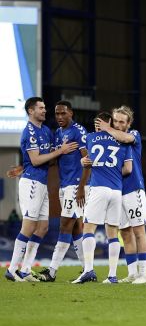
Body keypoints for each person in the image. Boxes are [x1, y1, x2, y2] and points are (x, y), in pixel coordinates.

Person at [5, 97, 77, 282]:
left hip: (42, 183)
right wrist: (60, 151)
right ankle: (12, 269)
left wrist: (23, 166)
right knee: (29, 226)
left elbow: (48, 158)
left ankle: (26, 270)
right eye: (41, 108)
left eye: (45, 107)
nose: (45, 111)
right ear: (31, 111)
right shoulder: (29, 132)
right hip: (32, 183)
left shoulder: (46, 131)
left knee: (43, 227)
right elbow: (36, 160)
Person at [72, 112, 133, 284]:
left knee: (88, 229)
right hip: (116, 190)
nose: (96, 124)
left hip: (98, 188)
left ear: (105, 123)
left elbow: (88, 162)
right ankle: (112, 276)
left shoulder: (91, 138)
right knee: (112, 234)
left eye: (98, 122)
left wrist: (83, 161)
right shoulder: (123, 140)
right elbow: (128, 169)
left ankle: (89, 270)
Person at [96, 106, 146, 284]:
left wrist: (107, 128)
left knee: (139, 231)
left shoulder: (133, 135)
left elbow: (125, 137)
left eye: (121, 121)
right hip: (116, 191)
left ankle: (143, 274)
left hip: (134, 189)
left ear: (128, 124)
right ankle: (132, 273)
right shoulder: (109, 139)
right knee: (125, 234)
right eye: (115, 120)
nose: (118, 124)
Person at [37, 101, 89, 282]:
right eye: (57, 114)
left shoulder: (79, 131)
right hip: (64, 185)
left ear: (71, 113)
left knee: (64, 225)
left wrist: (81, 187)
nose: (59, 117)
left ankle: (52, 271)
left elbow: (87, 160)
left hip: (75, 185)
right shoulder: (58, 134)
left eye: (63, 114)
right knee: (75, 229)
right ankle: (87, 269)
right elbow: (52, 160)